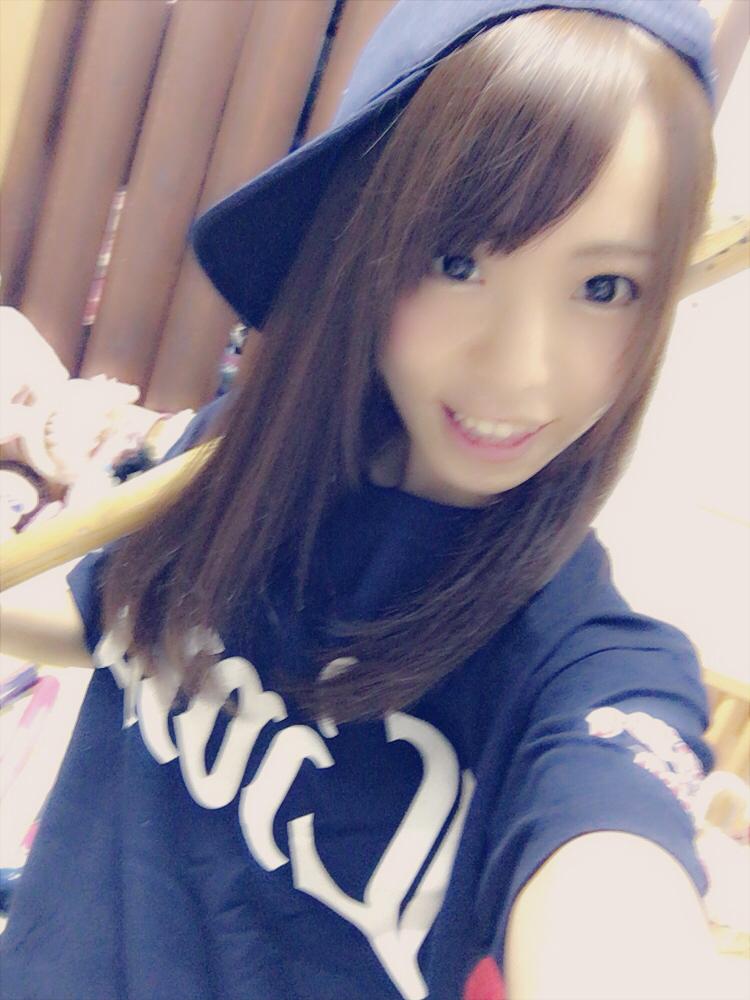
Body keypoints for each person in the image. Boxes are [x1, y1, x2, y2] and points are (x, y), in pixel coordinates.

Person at [0, 2, 726, 998]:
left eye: (604, 287)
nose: (521, 370)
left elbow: (615, 889)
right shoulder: (237, 463)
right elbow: (104, 616)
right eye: (458, 263)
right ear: (364, 245)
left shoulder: (585, 663)